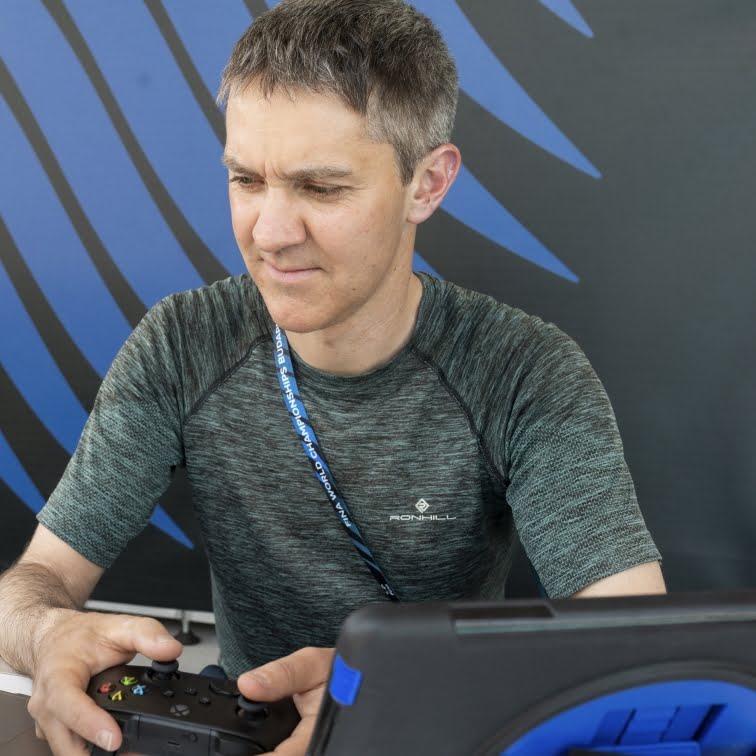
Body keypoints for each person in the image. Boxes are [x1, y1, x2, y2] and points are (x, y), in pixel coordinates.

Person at [0, 0, 665, 753]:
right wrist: (47, 634)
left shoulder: (524, 373)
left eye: (321, 188)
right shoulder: (183, 344)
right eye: (246, 179)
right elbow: (35, 581)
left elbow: (636, 653)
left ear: (427, 183)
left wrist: (397, 704)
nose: (270, 233)